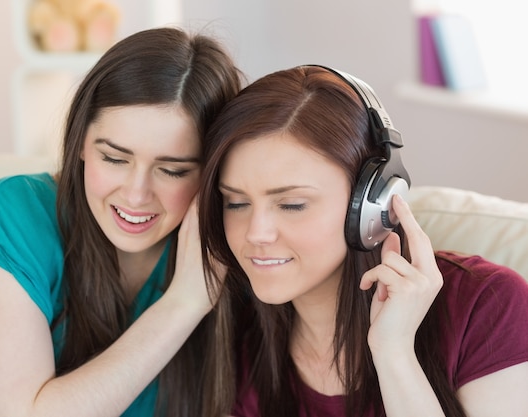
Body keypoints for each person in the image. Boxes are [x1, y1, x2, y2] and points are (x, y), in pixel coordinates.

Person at [0, 27, 243, 417]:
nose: (136, 195)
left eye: (171, 170)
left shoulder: (233, 238)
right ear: (81, 141)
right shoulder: (19, 210)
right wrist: (184, 303)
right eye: (115, 159)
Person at [198, 65, 528, 416]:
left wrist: (394, 353)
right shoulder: (241, 336)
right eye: (236, 202)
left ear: (374, 204)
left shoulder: (487, 305)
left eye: (292, 205)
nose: (255, 233)